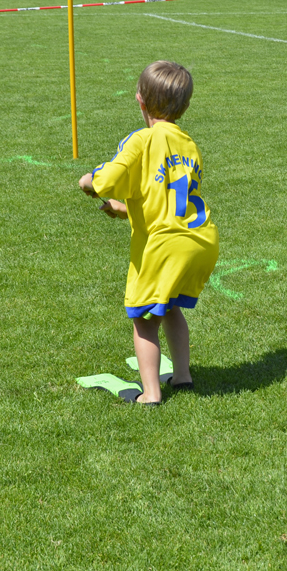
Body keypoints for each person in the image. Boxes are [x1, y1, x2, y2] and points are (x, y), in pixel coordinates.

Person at [79, 61, 219, 406]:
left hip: (164, 246)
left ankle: (151, 394)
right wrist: (124, 209)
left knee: (143, 319)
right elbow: (168, 200)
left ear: (140, 99)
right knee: (169, 307)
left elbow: (109, 177)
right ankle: (182, 376)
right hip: (200, 241)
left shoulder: (141, 139)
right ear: (185, 106)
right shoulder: (188, 144)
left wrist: (89, 182)